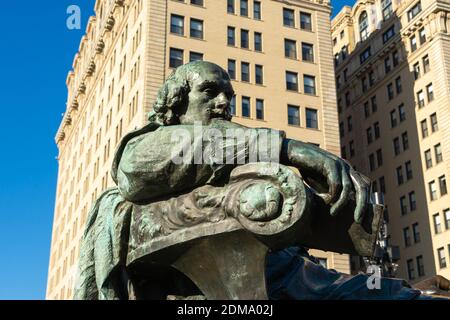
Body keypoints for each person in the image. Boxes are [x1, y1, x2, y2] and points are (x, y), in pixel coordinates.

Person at [74, 61, 449, 300]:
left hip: (297, 282)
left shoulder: (239, 156)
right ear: (177, 103)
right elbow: (136, 168)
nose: (223, 103)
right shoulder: (148, 148)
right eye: (210, 92)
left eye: (229, 96)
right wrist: (289, 150)